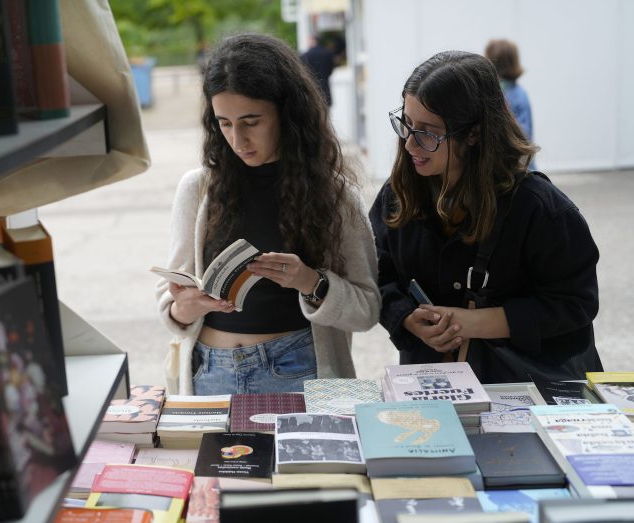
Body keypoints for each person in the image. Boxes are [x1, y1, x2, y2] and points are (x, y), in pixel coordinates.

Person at [156, 33, 380, 395]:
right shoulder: (197, 189)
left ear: (287, 113)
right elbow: (171, 300)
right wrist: (183, 307)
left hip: (301, 370)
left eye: (251, 121)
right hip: (209, 373)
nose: (238, 140)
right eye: (224, 123)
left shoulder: (334, 194)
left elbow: (367, 309)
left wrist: (311, 282)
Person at [369, 50, 603, 384]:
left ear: (474, 133)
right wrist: (405, 317)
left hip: (521, 393)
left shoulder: (540, 210)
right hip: (430, 384)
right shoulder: (399, 194)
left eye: (428, 132)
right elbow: (375, 272)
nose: (409, 145)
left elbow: (575, 303)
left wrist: (472, 322)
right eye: (406, 124)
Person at [485, 39, 535, 169]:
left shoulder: (490, 93)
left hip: (511, 164)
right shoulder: (520, 93)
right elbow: (526, 133)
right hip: (520, 162)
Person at [300, 34, 336, 106]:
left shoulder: (306, 55)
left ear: (312, 41)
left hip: (312, 89)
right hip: (325, 87)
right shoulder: (328, 53)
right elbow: (331, 69)